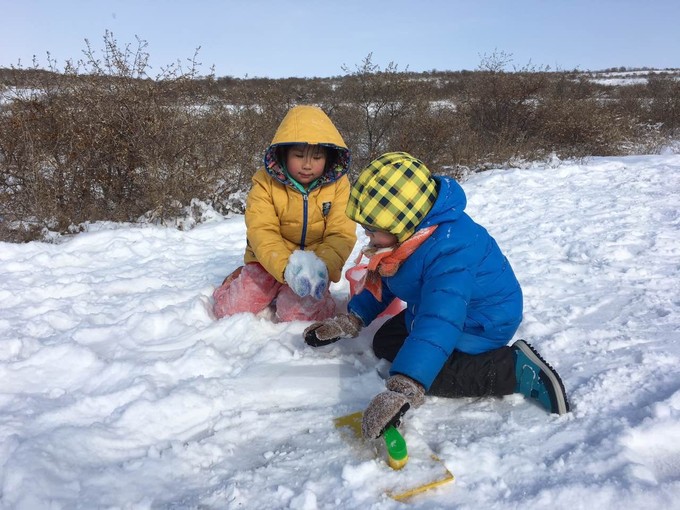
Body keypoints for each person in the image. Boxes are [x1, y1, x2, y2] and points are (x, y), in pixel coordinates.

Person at [303, 152, 570, 440]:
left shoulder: (450, 252)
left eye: (372, 231)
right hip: (437, 306)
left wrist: (405, 386)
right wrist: (354, 318)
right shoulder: (413, 236)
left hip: (480, 321)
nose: (368, 237)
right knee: (387, 343)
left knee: (432, 376)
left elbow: (440, 320)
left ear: (401, 225)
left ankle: (514, 370)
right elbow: (388, 280)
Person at [212, 105, 357, 322]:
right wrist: (285, 268)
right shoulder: (264, 183)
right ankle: (237, 281)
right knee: (231, 310)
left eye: (317, 158)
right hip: (268, 260)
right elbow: (262, 231)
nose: (307, 165)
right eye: (299, 155)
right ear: (283, 153)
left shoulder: (339, 186)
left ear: (329, 157)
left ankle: (312, 296)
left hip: (313, 263)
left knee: (298, 316)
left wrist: (322, 267)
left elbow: (341, 233)